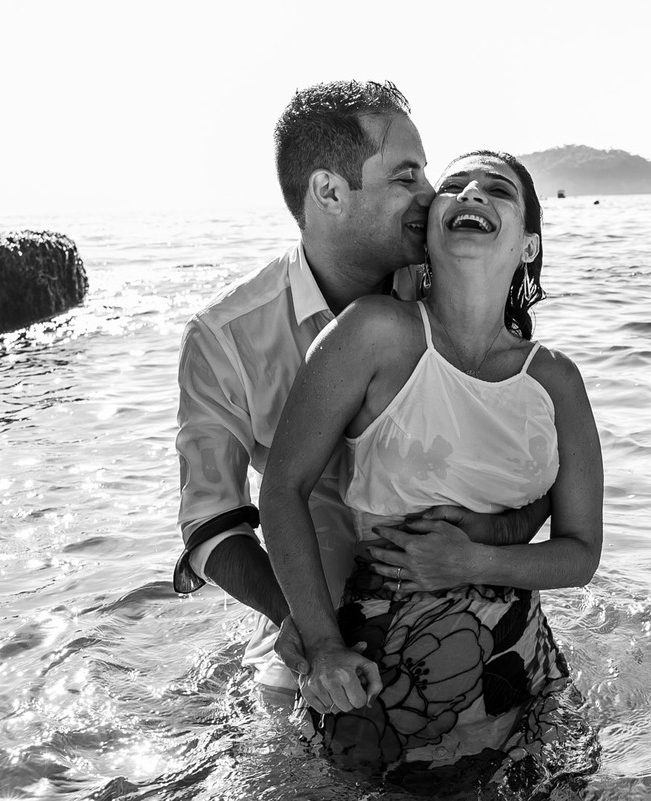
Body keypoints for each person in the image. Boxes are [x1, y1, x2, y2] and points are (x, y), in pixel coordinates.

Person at [173, 81, 549, 703]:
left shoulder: (457, 279)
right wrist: (308, 629)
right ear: (329, 192)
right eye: (407, 177)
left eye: (427, 173)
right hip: (317, 627)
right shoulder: (223, 338)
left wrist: (489, 542)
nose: (432, 196)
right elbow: (210, 522)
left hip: (461, 602)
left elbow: (531, 453)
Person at [259, 150, 603, 778]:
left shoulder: (555, 379)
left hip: (520, 673)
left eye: (496, 190)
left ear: (527, 245)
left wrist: (475, 561)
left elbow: (581, 553)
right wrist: (323, 645)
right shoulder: (374, 332)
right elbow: (282, 489)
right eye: (454, 187)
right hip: (375, 677)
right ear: (432, 224)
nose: (471, 194)